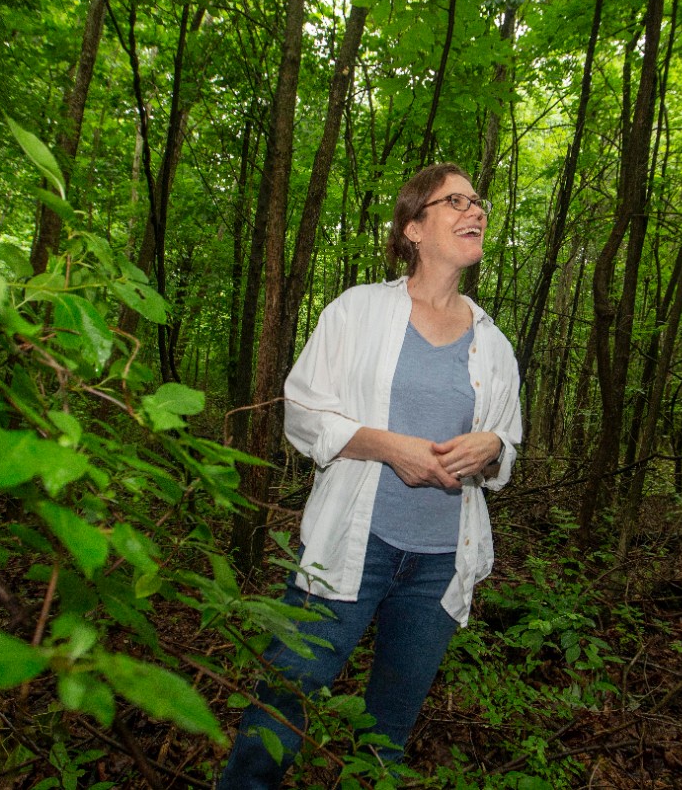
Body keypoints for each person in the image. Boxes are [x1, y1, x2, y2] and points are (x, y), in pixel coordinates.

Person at [217, 163, 522, 787]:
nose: (477, 211)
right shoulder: (358, 310)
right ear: (414, 227)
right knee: (281, 707)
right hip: (351, 546)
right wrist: (387, 447)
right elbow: (302, 410)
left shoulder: (493, 343)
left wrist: (490, 447)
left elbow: (505, 449)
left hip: (441, 562)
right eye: (456, 201)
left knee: (388, 733)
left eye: (479, 201)